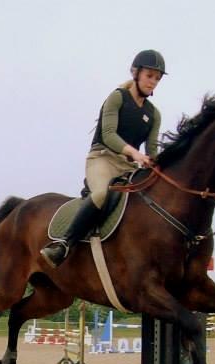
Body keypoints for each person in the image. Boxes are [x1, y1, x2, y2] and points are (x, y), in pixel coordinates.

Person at [41, 49, 166, 268]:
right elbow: (108, 134)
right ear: (136, 73)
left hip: (128, 167)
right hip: (103, 158)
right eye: (149, 76)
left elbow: (152, 148)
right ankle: (64, 245)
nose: (153, 82)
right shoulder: (117, 97)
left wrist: (160, 168)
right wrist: (135, 153)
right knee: (101, 194)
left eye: (157, 78)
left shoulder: (153, 114)